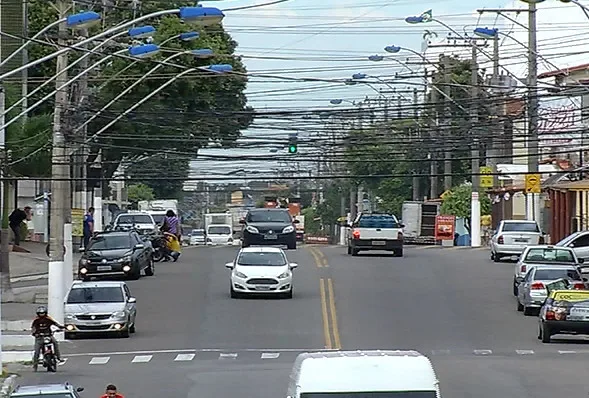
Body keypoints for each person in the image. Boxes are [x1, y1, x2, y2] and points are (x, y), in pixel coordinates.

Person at [31, 306, 65, 371]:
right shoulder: (36, 320)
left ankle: (58, 357)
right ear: (38, 313)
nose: (42, 315)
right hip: (39, 337)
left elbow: (55, 323)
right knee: (37, 351)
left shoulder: (48, 319)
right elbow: (33, 327)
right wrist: (34, 333)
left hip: (48, 336)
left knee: (55, 343)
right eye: (40, 313)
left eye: (43, 313)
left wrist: (61, 327)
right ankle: (35, 365)